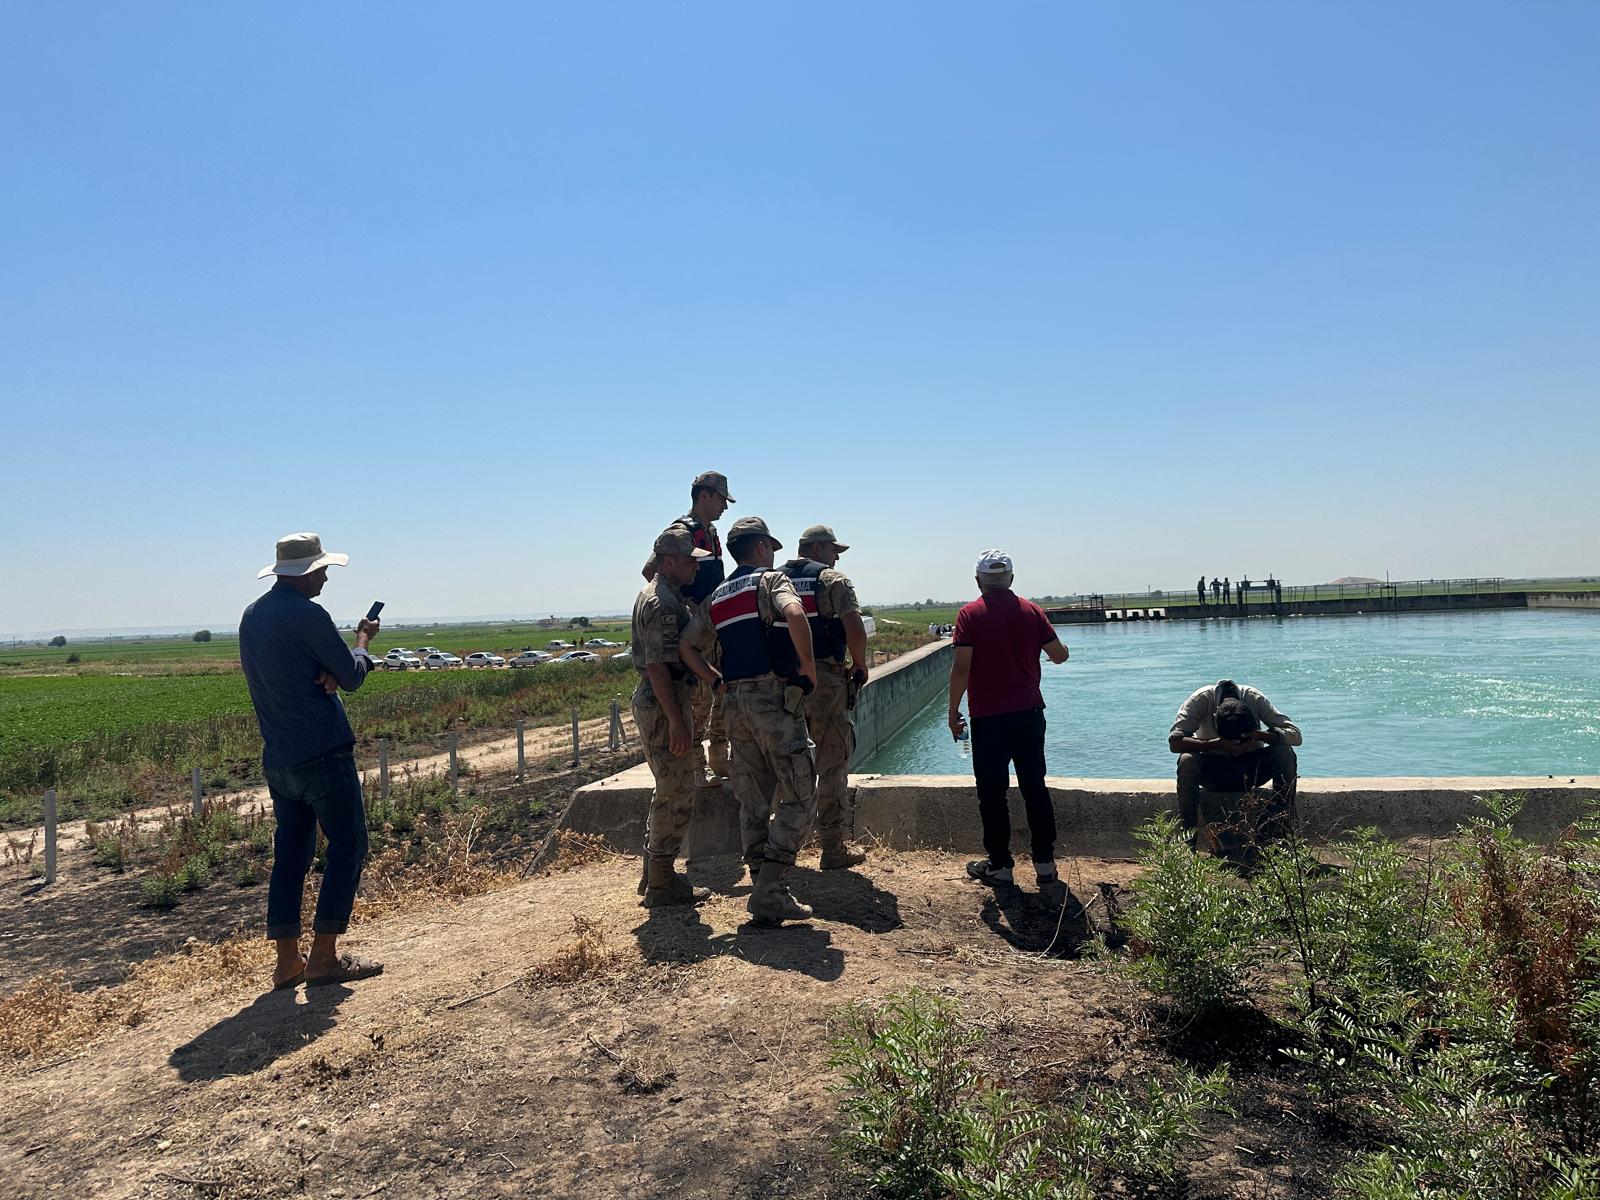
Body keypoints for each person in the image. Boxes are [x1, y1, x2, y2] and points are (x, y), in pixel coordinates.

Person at [239, 533, 384, 990]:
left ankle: (288, 963)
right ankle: (324, 957)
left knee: (290, 855)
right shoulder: (309, 614)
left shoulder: (253, 615)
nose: (325, 577)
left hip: (279, 757)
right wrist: (361, 643)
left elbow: (292, 672)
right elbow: (352, 676)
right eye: (321, 570)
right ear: (304, 574)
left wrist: (326, 674)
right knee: (348, 847)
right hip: (323, 753)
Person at [694, 516, 819, 925]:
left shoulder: (717, 595)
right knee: (801, 793)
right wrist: (808, 667)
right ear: (762, 548)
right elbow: (796, 615)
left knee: (753, 799)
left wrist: (715, 680)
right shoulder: (770, 582)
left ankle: (760, 881)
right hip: (773, 700)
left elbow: (686, 646)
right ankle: (769, 888)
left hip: (734, 704)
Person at [947, 550, 1070, 890]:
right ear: (1011, 579)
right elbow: (1059, 656)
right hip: (1029, 715)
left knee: (991, 792)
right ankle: (1045, 865)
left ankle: (1000, 865)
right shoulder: (1032, 611)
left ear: (978, 581)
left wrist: (952, 710)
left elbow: (961, 666)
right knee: (1035, 788)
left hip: (988, 719)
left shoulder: (969, 614)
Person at [630, 527, 722, 906]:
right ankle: (662, 883)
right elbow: (657, 667)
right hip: (663, 701)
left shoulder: (661, 594)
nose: (695, 568)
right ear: (669, 562)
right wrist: (677, 721)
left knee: (668, 787)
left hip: (661, 700)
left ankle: (654, 872)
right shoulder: (662, 603)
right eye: (688, 561)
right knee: (677, 790)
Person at [781, 525, 871, 871]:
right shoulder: (833, 580)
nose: (836, 557)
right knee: (832, 759)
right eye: (833, 550)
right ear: (817, 549)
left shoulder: (774, 579)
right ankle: (832, 847)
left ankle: (782, 848)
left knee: (787, 763)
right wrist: (860, 663)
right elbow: (853, 625)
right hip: (826, 682)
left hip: (785, 683)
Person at [643, 471, 735, 787]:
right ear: (705, 495)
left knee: (723, 689)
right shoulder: (681, 531)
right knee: (698, 699)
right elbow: (650, 570)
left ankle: (719, 757)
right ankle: (698, 765)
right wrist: (686, 605)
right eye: (722, 499)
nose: (725, 506)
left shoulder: (710, 533)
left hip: (715, 625)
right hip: (697, 629)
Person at [1168, 679, 1302, 848]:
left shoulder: (1253, 698)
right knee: (1187, 759)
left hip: (1251, 769)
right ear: (1215, 719)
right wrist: (1217, 744)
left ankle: (1282, 835)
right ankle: (1188, 841)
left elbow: (1296, 735)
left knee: (1284, 753)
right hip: (1215, 770)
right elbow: (1175, 742)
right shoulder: (1200, 700)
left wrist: (1259, 736)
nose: (1236, 747)